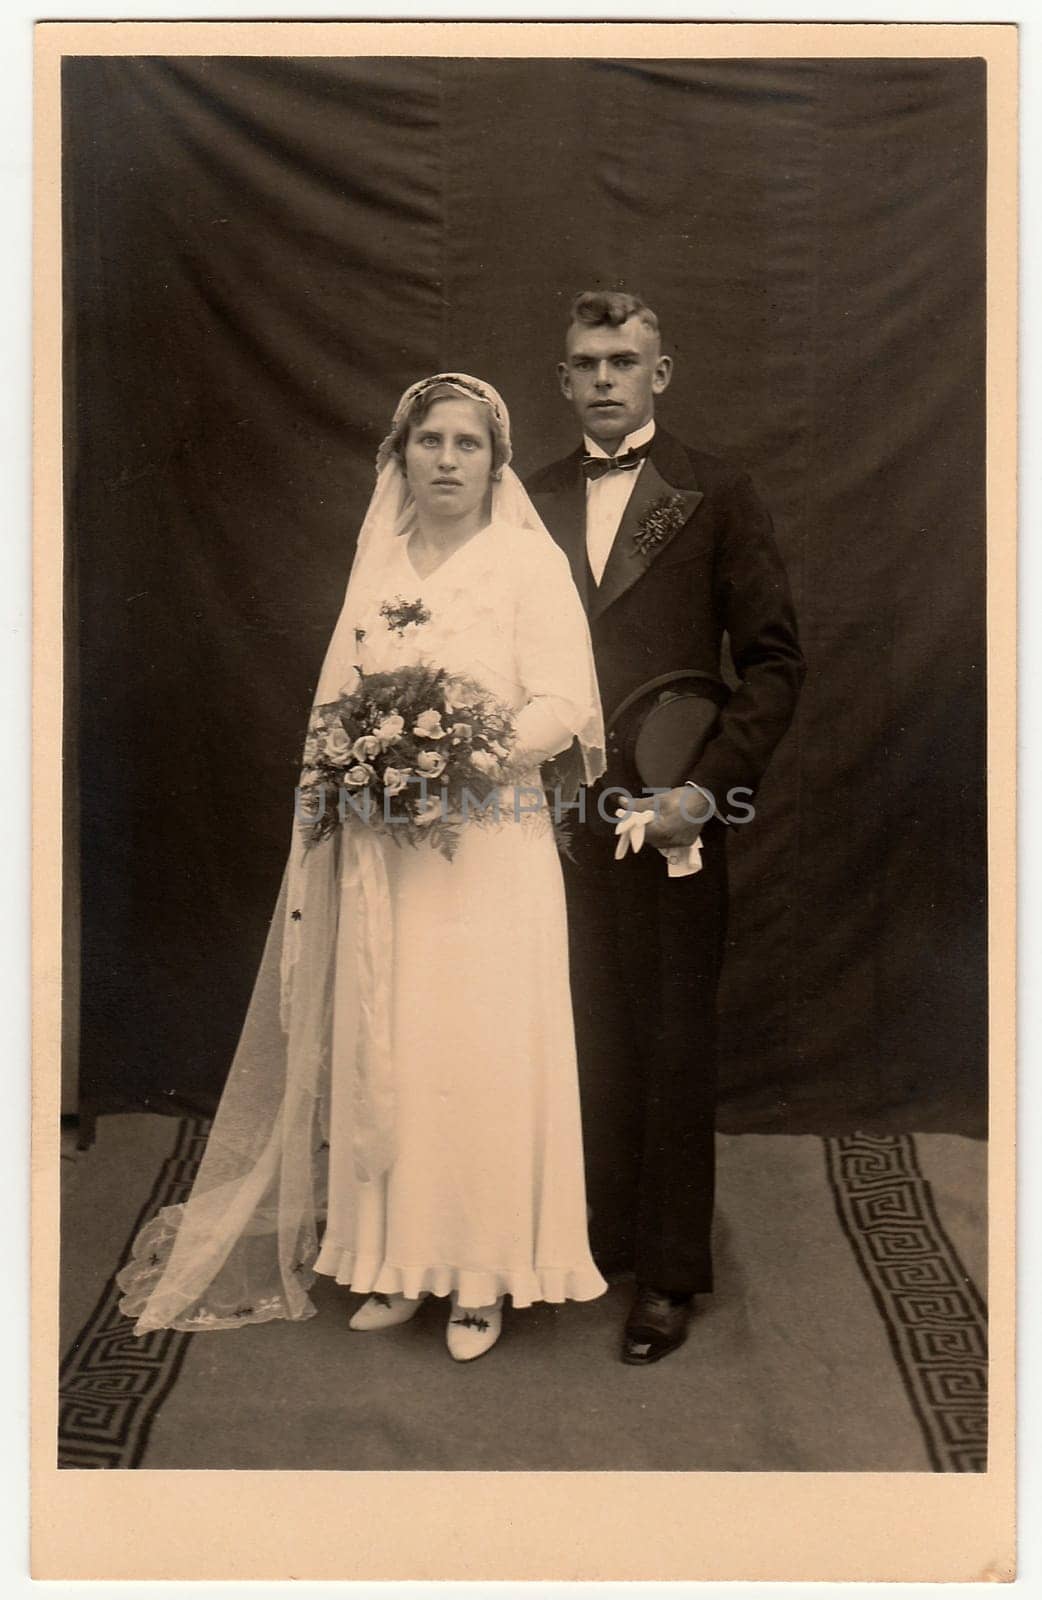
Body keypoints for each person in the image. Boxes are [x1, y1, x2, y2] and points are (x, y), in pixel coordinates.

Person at [117, 373, 608, 1362]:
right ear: (402, 453)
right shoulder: (381, 563)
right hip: (390, 857)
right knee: (396, 1051)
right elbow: (337, 710)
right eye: (429, 440)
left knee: (482, 1058)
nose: (446, 460)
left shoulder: (525, 564)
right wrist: (361, 777)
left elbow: (564, 703)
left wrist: (466, 755)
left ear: (494, 461)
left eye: (467, 444)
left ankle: (480, 1279)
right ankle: (390, 1262)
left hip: (489, 854)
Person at [526, 291, 805, 1365]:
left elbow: (773, 663)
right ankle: (585, 1237)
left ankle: (668, 1273)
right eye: (585, 360)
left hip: (676, 809)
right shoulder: (531, 497)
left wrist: (707, 786)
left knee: (673, 1038)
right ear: (561, 379)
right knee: (575, 1029)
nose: (604, 378)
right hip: (549, 819)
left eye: (624, 361)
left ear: (661, 373)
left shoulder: (713, 493)